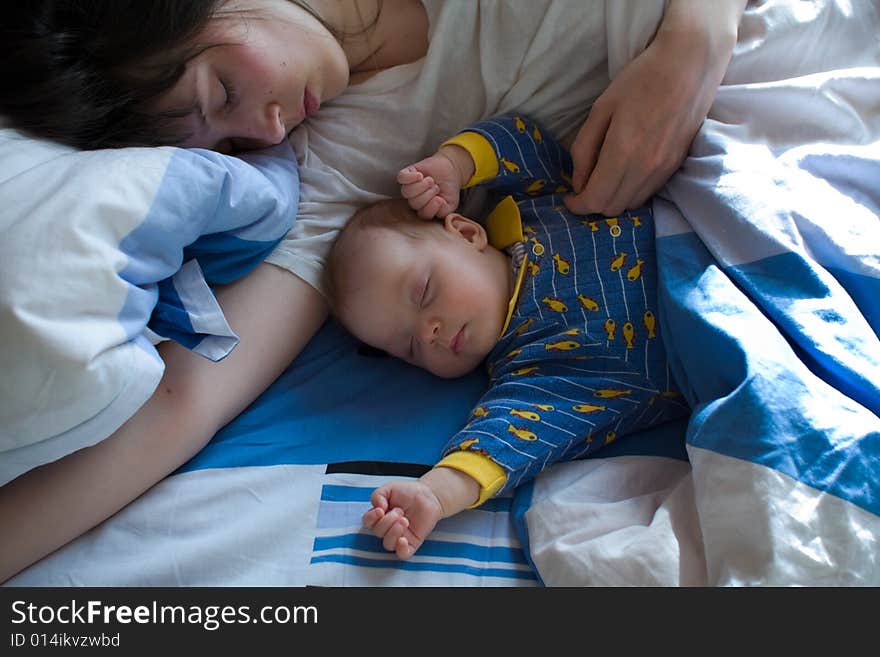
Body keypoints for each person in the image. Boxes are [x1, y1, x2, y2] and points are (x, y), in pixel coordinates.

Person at [0, 0, 746, 582]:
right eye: (225, 144)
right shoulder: (343, 170)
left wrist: (698, 33)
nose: (262, 128)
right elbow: (181, 402)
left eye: (223, 86)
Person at [324, 113, 689, 558]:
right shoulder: (535, 371)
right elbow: (505, 439)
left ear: (465, 231)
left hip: (705, 225)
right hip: (721, 335)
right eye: (411, 348)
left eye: (423, 293)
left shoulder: (537, 204)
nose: (430, 332)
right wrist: (434, 495)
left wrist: (454, 165)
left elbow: (523, 142)